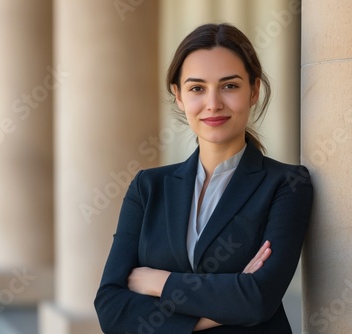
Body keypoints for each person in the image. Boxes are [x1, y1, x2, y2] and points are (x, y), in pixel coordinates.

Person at [94, 23, 313, 333]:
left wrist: (159, 281)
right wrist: (228, 300)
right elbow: (110, 309)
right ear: (179, 96)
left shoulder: (287, 184)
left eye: (230, 86)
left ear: (253, 91)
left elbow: (258, 299)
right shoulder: (148, 187)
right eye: (197, 88)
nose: (213, 103)